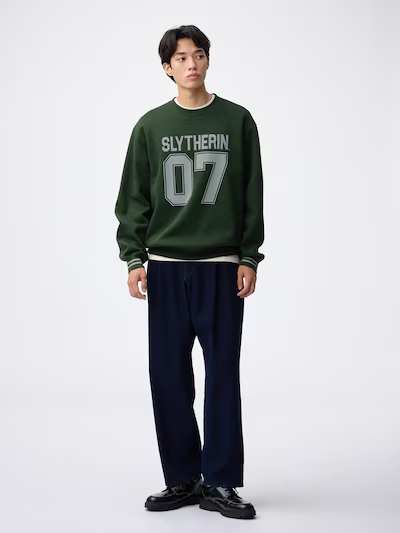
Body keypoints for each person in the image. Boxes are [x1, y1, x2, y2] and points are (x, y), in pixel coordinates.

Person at [114, 24, 264, 520]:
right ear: (167, 67)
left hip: (221, 268)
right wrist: (134, 258)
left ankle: (220, 481)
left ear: (207, 60)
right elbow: (133, 197)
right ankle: (182, 477)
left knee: (222, 376)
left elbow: (251, 192)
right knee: (167, 376)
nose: (191, 64)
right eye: (180, 58)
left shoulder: (237, 120)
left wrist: (248, 256)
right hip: (165, 268)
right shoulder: (150, 126)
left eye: (198, 54)